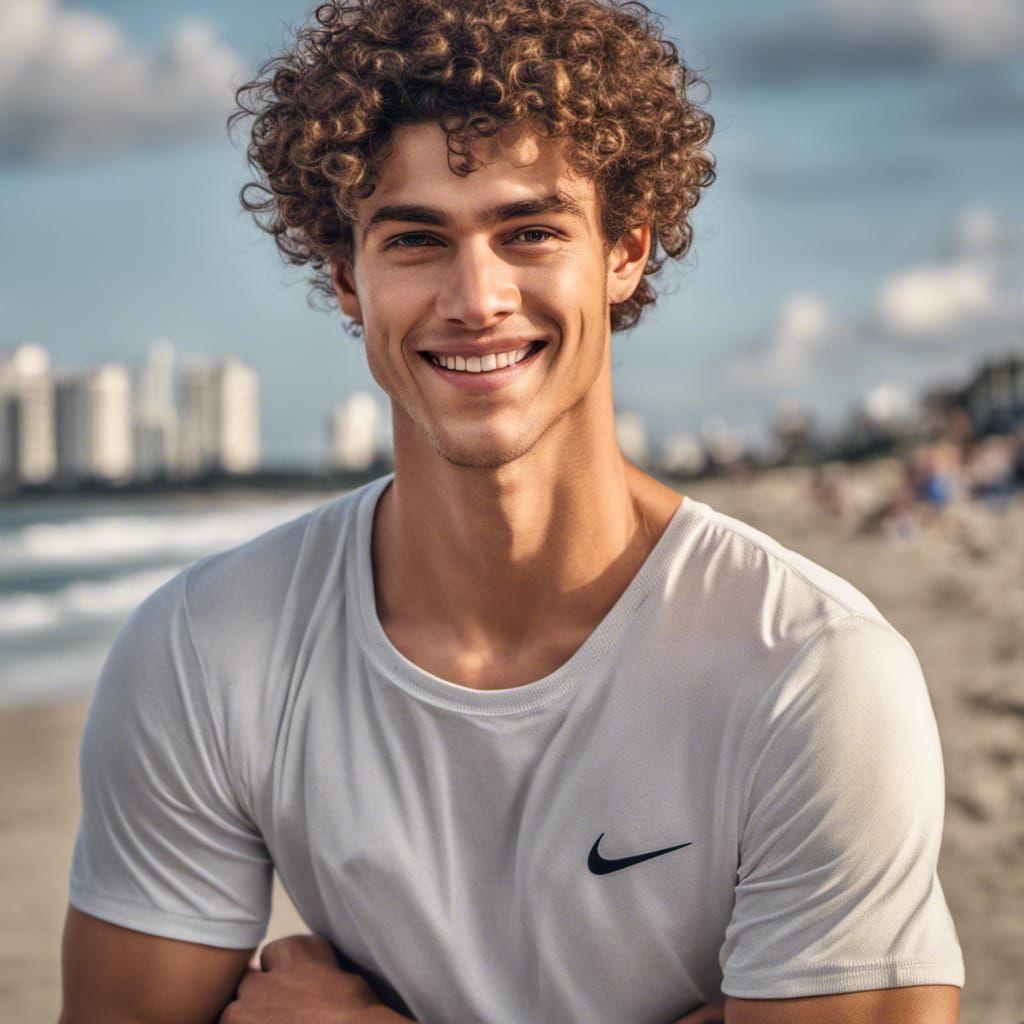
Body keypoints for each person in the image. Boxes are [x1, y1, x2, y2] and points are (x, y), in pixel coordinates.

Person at [60, 1, 965, 1021]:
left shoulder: (807, 674)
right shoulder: (206, 652)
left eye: (530, 231)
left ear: (624, 250)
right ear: (345, 275)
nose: (476, 297)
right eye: (415, 239)